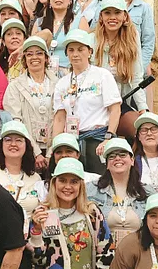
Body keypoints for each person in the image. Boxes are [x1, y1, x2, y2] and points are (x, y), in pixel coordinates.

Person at [51, 32, 120, 176]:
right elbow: (59, 117)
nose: (75, 54)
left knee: (99, 183)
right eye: (71, 50)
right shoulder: (62, 83)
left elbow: (115, 109)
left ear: (89, 52)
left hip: (98, 140)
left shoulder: (102, 75)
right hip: (72, 142)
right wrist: (56, 144)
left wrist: (109, 137)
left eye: (80, 49)